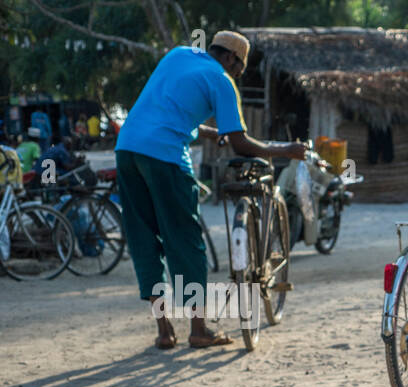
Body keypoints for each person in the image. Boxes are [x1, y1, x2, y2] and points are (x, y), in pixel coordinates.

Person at [115, 30, 306, 349]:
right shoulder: (221, 80)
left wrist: (208, 132)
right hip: (165, 158)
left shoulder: (178, 55)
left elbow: (167, 112)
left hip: (127, 150)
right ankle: (198, 330)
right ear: (232, 58)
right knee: (185, 242)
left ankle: (164, 331)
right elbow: (241, 144)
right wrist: (286, 149)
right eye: (238, 69)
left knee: (144, 239)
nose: (236, 75)